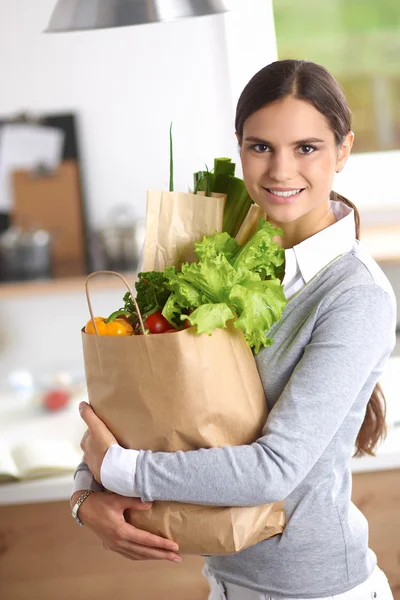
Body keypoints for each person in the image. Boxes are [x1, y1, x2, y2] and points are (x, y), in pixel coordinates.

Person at [71, 59, 397, 600]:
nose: (280, 171)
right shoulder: (216, 257)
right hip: (226, 583)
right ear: (240, 147)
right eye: (260, 146)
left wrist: (122, 471)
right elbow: (147, 404)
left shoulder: (354, 294)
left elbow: (274, 469)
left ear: (344, 150)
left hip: (317, 590)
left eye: (307, 148)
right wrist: (87, 495)